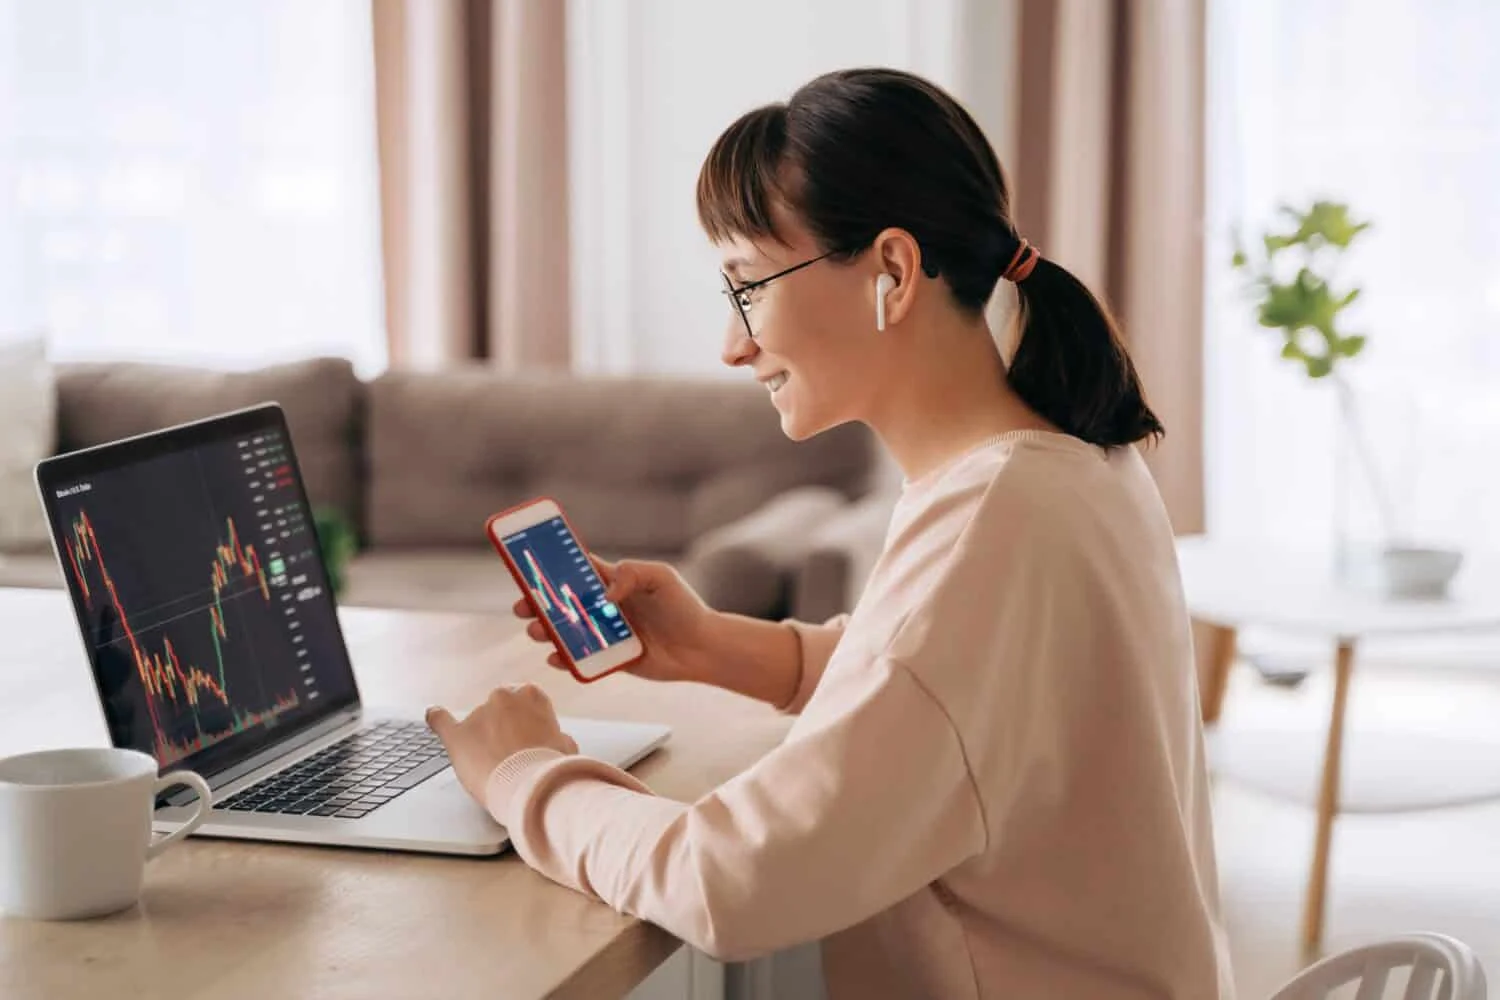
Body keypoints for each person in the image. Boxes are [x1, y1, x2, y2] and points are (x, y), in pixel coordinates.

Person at [426, 67, 1233, 999]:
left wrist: (525, 776)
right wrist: (715, 647)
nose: (733, 346)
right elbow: (949, 700)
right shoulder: (1067, 463)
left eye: (747, 289)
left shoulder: (991, 527)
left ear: (891, 273)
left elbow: (728, 883)